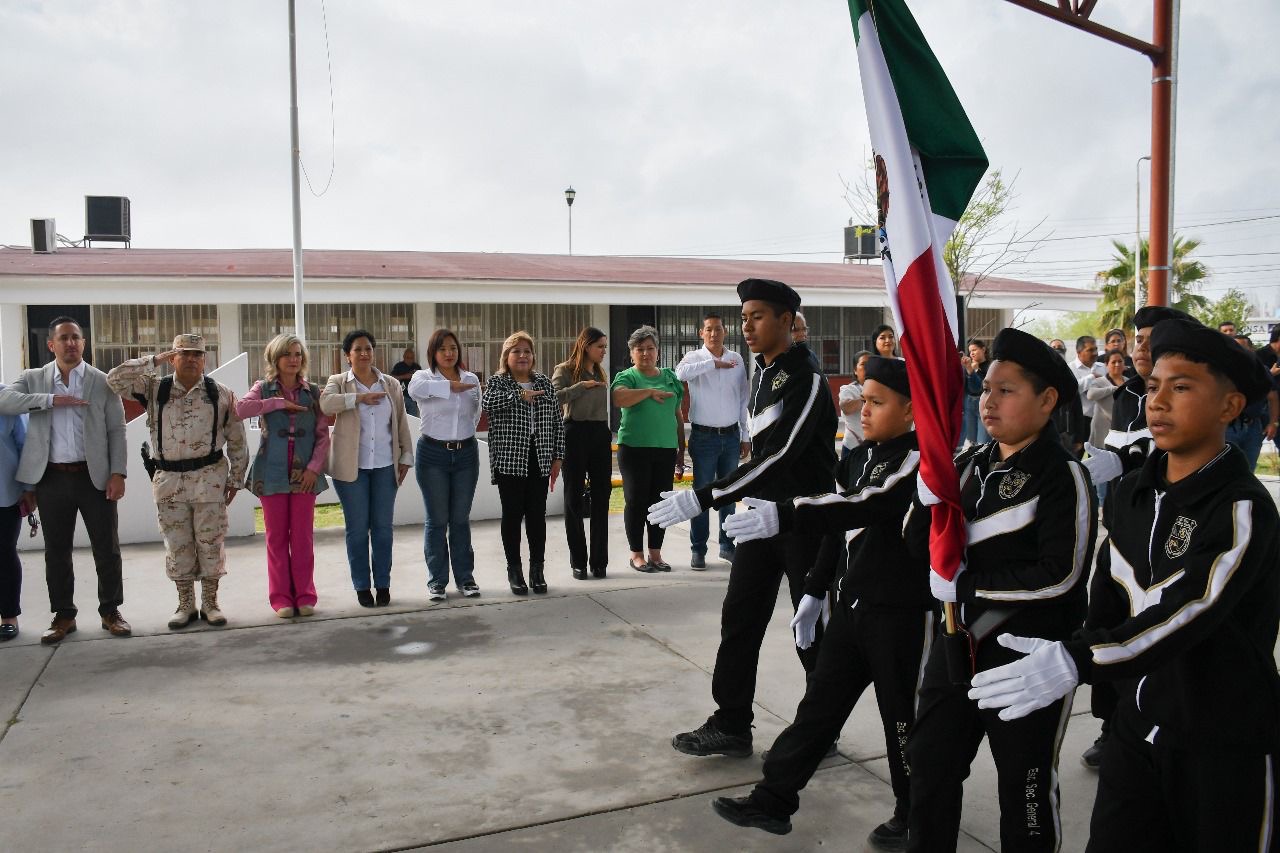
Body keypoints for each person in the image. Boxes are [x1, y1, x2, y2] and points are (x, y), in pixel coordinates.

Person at [969, 319, 1279, 852]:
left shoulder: (1241, 506)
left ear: (1230, 408)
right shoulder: (1132, 493)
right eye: (1154, 385)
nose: (1158, 402)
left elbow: (1191, 611)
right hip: (1135, 730)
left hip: (1221, 738)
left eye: (1181, 388)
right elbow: (1107, 599)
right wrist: (1093, 670)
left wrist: (1079, 660)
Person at [710, 357, 931, 849]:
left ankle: (912, 812)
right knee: (817, 710)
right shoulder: (856, 456)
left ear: (912, 410)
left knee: (902, 720)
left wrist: (787, 515)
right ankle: (773, 799)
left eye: (877, 402)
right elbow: (837, 528)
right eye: (864, 400)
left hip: (901, 616)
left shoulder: (918, 462)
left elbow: (867, 504)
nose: (864, 411)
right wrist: (813, 590)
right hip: (853, 609)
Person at [904, 326, 1096, 853]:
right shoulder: (967, 465)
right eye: (986, 389)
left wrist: (968, 585)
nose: (988, 402)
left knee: (1025, 788)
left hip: (1023, 659)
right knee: (931, 765)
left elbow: (1062, 574)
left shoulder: (1063, 477)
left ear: (1047, 400)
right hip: (954, 649)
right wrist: (924, 502)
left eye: (1005, 390)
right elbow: (919, 546)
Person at [651, 278, 837, 759]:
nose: (746, 326)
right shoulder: (763, 372)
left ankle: (822, 726)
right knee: (740, 618)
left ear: (786, 321)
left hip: (801, 521)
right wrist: (733, 497)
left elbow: (781, 457)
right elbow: (757, 455)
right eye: (742, 318)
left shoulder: (807, 377)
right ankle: (732, 723)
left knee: (808, 625)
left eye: (756, 316)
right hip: (758, 519)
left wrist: (705, 497)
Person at [1077, 305, 1195, 770]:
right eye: (1137, 339)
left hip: (1170, 534)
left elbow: (1171, 451)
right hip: (1128, 523)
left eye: (1149, 339)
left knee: (1155, 626)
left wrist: (1127, 462)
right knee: (1108, 613)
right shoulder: (1128, 394)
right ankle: (1112, 725)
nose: (1139, 348)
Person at [0, 317, 130, 644]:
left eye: (76, 338)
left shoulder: (102, 381)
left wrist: (118, 472)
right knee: (56, 551)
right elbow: (5, 401)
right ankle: (63, 615)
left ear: (83, 343)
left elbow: (117, 428)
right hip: (51, 479)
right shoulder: (33, 379)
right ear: (51, 344)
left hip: (94, 477)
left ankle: (110, 611)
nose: (70, 343)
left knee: (107, 548)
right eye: (64, 338)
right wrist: (50, 400)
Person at [107, 333, 248, 629]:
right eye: (184, 353)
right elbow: (114, 380)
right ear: (172, 358)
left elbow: (237, 438)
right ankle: (186, 603)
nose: (192, 359)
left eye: (197, 354)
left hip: (209, 480)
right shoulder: (154, 388)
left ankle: (210, 602)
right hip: (170, 481)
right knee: (178, 545)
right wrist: (153, 360)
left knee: (211, 543)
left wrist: (236, 479)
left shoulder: (220, 393)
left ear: (205, 360)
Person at [236, 333, 330, 618]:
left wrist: (314, 469)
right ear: (275, 358)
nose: (294, 359)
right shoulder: (262, 388)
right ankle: (281, 599)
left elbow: (323, 436)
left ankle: (305, 595)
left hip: (305, 475)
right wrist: (277, 403)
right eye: (288, 354)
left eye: (298, 354)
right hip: (271, 473)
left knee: (302, 537)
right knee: (276, 538)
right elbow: (241, 409)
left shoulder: (313, 392)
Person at [321, 330, 414, 608]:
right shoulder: (338, 382)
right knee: (357, 530)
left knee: (383, 529)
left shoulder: (390, 384)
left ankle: (383, 584)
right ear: (347, 355)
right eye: (358, 349)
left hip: (385, 466)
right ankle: (362, 585)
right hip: (352, 471)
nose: (364, 353)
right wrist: (358, 399)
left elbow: (400, 422)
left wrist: (405, 457)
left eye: (368, 349)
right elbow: (325, 403)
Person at [482, 331, 565, 595]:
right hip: (510, 460)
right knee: (512, 515)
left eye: (527, 351)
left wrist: (558, 456)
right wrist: (518, 396)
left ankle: (537, 570)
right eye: (516, 351)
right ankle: (514, 571)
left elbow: (556, 421)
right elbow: (487, 403)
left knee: (536, 517)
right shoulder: (499, 382)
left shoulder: (543, 381)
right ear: (506, 357)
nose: (522, 356)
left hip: (540, 457)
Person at [408, 329, 482, 600]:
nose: (449, 353)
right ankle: (437, 581)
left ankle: (466, 579)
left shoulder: (471, 379)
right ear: (433, 353)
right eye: (443, 349)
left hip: (465, 454)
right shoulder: (422, 378)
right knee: (437, 520)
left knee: (460, 519)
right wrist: (449, 387)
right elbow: (413, 391)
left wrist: (461, 438)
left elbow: (475, 415)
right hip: (433, 455)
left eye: (453, 348)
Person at [674, 313, 749, 569]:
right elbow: (680, 374)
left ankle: (727, 546)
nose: (714, 333)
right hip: (703, 437)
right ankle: (699, 549)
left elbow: (742, 400)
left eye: (718, 329)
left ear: (725, 332)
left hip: (730, 436)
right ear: (701, 333)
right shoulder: (693, 359)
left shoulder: (736, 359)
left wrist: (745, 435)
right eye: (709, 329)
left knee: (728, 495)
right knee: (702, 496)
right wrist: (712, 364)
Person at [612, 325, 684, 574]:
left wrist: (681, 450)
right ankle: (636, 555)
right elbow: (619, 398)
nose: (645, 353)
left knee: (659, 503)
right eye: (639, 349)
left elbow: (677, 414)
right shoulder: (628, 376)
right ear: (631, 353)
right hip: (634, 449)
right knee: (636, 501)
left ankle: (656, 553)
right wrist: (649, 392)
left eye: (650, 348)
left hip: (665, 449)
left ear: (658, 351)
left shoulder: (670, 377)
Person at [552, 327, 612, 580]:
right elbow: (553, 398)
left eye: (605, 347)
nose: (604, 351)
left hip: (599, 433)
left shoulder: (600, 370)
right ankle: (578, 561)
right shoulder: (564, 370)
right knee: (573, 498)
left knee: (602, 497)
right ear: (586, 346)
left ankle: (599, 562)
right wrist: (579, 387)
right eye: (600, 346)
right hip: (575, 432)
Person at [0, 389, 28, 641]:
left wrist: (29, 489)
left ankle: (9, 616)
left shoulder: (7, 401)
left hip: (5, 494)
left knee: (4, 552)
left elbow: (25, 445)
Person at [1082, 350, 1128, 502]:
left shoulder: (1129, 381)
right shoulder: (1100, 381)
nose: (1116, 365)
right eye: (1113, 362)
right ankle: (1101, 505)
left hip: (1122, 437)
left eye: (1119, 361)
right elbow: (1090, 395)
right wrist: (1113, 389)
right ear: (1107, 365)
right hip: (1102, 436)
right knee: (1102, 478)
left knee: (1119, 473)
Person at [837, 351, 871, 460]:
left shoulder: (882, 390)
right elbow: (846, 408)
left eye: (870, 365)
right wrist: (868, 398)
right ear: (855, 370)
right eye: (863, 364)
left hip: (873, 448)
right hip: (852, 447)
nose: (868, 368)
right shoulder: (849, 389)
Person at [960, 338, 991, 449]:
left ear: (983, 349)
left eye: (975, 350)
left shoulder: (990, 366)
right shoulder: (968, 367)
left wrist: (973, 372)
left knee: (983, 442)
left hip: (983, 403)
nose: (972, 353)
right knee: (971, 441)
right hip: (969, 404)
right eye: (970, 351)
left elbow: (980, 387)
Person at [391, 348, 424, 417]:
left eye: (411, 358)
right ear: (404, 357)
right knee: (401, 420)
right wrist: (403, 376)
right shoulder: (399, 366)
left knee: (413, 420)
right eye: (408, 357)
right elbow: (391, 378)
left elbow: (422, 380)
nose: (409, 360)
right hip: (401, 397)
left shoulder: (417, 367)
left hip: (413, 398)